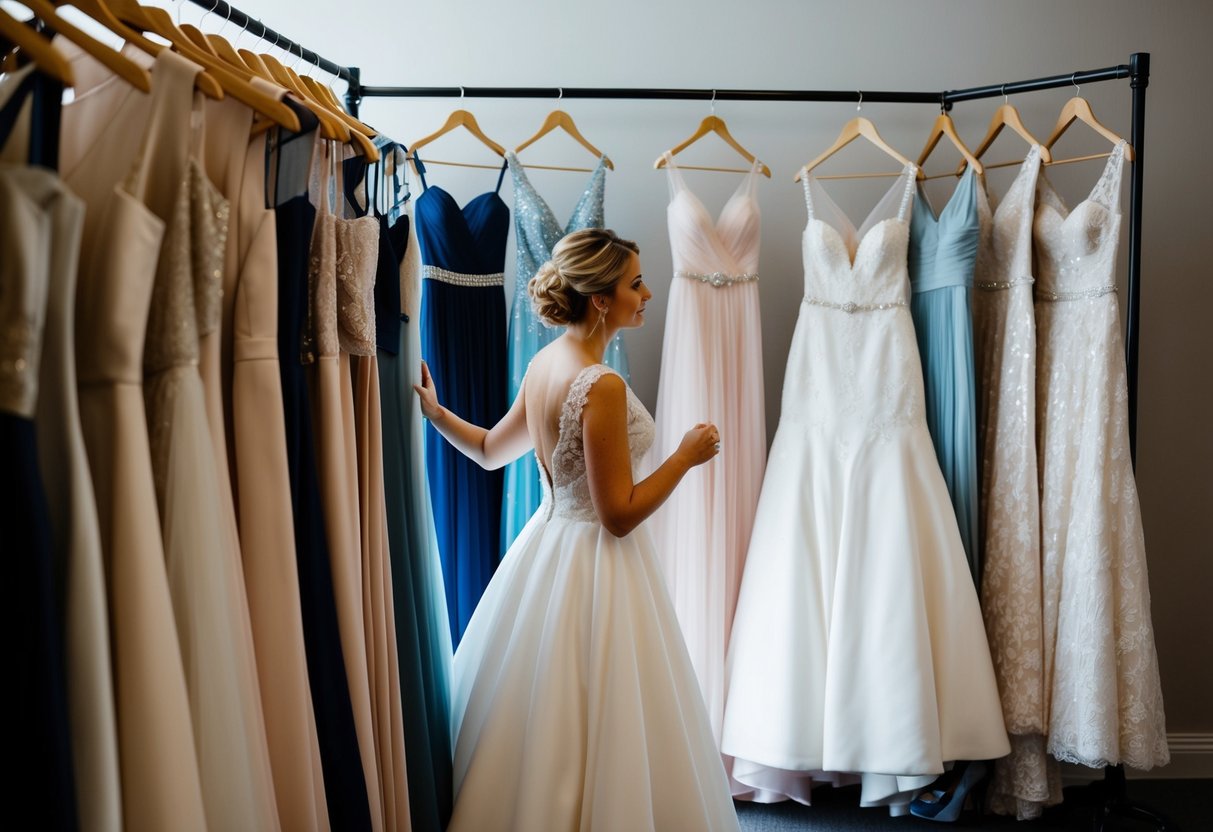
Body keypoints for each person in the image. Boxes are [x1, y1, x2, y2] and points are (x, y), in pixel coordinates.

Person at [414, 228, 740, 831]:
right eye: (635, 283)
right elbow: (617, 516)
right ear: (600, 299)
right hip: (596, 559)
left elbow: (488, 450)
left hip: (547, 545)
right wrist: (685, 457)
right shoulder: (601, 384)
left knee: (546, 715)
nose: (647, 294)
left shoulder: (546, 362)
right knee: (602, 712)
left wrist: (436, 415)